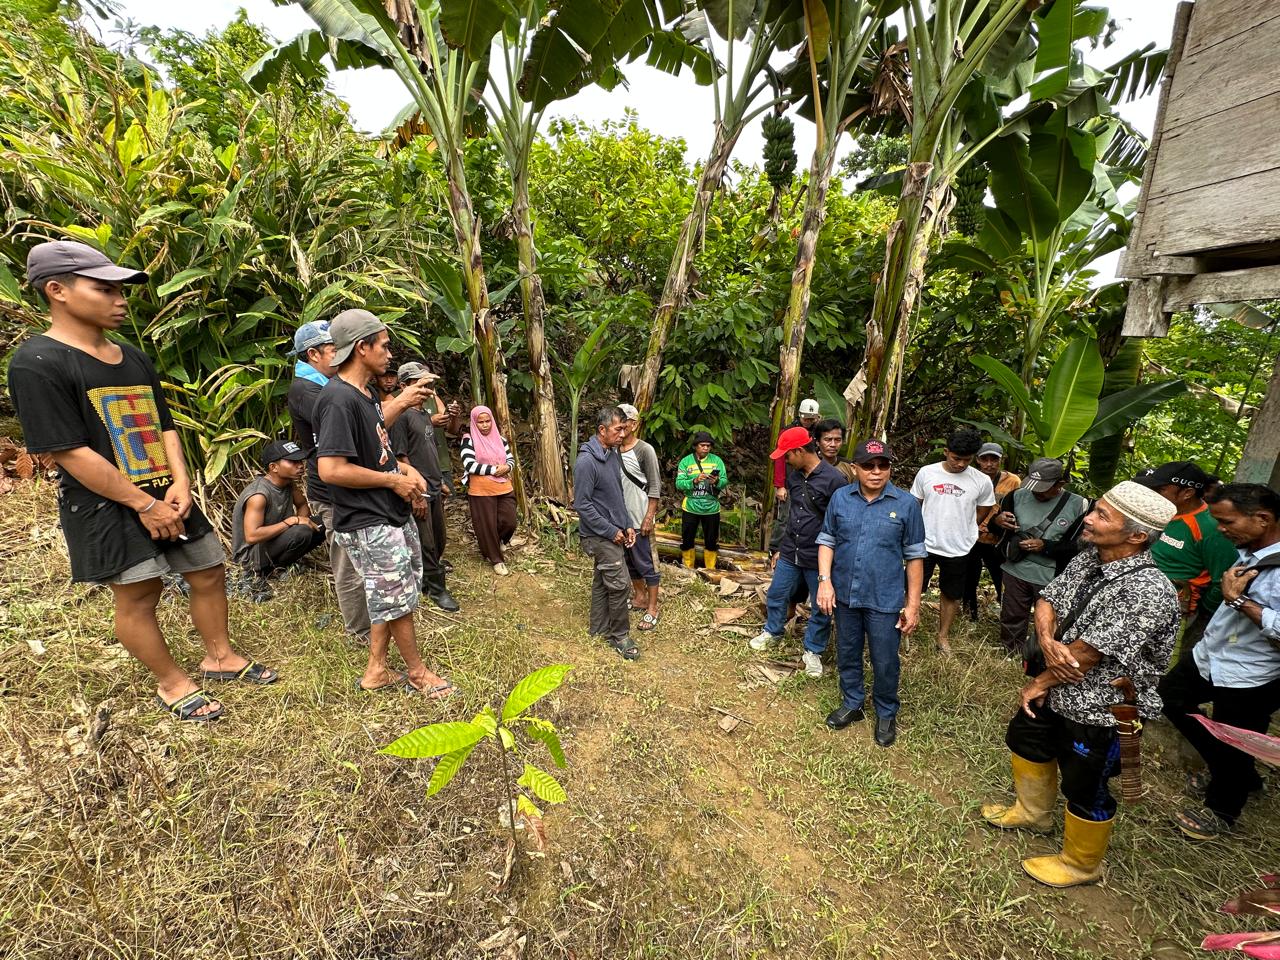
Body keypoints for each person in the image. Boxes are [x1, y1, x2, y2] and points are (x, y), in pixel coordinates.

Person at [8, 240, 277, 721]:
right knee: (139, 591)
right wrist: (142, 504)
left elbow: (164, 425)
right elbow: (69, 451)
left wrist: (181, 483)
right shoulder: (38, 363)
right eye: (104, 289)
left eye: (120, 289)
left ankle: (220, 657)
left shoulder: (130, 355)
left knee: (208, 571)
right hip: (105, 503)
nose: (120, 299)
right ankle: (172, 683)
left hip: (166, 492)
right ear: (57, 290)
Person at [981, 482, 1178, 887]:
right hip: (1056, 687)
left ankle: (1082, 864)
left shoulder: (1148, 590)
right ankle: (1033, 813)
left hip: (1101, 707)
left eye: (1103, 515)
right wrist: (1050, 643)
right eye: (1096, 510)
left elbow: (1087, 657)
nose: (1087, 518)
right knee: (1027, 741)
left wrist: (1040, 680)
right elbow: (1047, 600)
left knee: (1085, 784)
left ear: (1137, 536)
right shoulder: (1090, 558)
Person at [314, 309, 453, 697]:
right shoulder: (337, 400)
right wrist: (393, 480)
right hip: (367, 519)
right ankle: (417, 672)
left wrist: (406, 403)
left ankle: (376, 669)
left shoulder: (365, 394)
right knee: (398, 599)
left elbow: (374, 433)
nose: (390, 354)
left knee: (390, 593)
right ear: (362, 347)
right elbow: (331, 469)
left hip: (385, 513)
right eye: (385, 345)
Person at [1159, 483, 1280, 841]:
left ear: (1262, 518)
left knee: (1236, 740)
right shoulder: (1251, 549)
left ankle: (1222, 811)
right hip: (1212, 655)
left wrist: (1238, 601)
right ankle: (1237, 772)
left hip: (1251, 673)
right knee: (1169, 698)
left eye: (1226, 522)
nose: (1221, 530)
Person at [816, 439, 925, 747]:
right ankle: (852, 703)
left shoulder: (905, 505)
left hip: (885, 597)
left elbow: (915, 557)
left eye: (883, 465)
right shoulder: (840, 498)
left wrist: (912, 604)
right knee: (848, 651)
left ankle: (886, 712)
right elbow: (827, 540)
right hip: (846, 594)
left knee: (885, 659)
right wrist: (825, 581)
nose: (876, 472)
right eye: (868, 466)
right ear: (855, 468)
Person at [286, 319, 371, 644]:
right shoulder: (308, 390)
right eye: (334, 350)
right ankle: (359, 631)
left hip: (344, 487)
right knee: (347, 561)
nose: (340, 357)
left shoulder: (323, 386)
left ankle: (369, 621)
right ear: (313, 354)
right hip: (331, 490)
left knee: (357, 555)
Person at [750, 426, 847, 678]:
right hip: (791, 551)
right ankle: (773, 631)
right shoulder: (794, 478)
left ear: (800, 451)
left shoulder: (834, 480)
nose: (785, 460)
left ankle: (813, 650)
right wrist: (779, 547)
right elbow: (790, 515)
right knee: (777, 593)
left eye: (787, 455)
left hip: (818, 558)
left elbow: (841, 522)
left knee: (821, 606)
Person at [1134, 460, 1238, 652]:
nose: (1155, 493)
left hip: (1174, 612)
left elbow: (1223, 578)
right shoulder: (1162, 512)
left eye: (1162, 489)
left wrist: (1198, 609)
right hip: (1139, 598)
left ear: (1187, 493)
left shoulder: (1210, 527)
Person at [990, 458, 1088, 657]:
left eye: (1043, 488)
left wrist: (1046, 546)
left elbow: (1081, 545)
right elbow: (997, 531)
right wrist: (997, 521)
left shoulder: (1079, 505)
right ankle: (1011, 650)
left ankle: (1042, 655)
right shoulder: (1016, 496)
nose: (1037, 492)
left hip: (1051, 575)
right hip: (1015, 569)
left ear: (1060, 484)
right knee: (1012, 613)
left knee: (1049, 620)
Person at [910, 427, 996, 653]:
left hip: (959, 546)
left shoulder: (981, 481)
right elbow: (914, 505)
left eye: (966, 460)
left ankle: (943, 636)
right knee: (913, 588)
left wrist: (965, 525)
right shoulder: (926, 473)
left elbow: (984, 507)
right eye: (956, 458)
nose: (960, 464)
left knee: (952, 593)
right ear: (946, 452)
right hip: (924, 544)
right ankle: (905, 627)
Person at [392, 362, 459, 612]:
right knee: (426, 541)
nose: (427, 388)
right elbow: (400, 458)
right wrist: (416, 493)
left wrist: (438, 481)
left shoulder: (422, 414)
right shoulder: (402, 416)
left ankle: (426, 579)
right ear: (404, 386)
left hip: (432, 484)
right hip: (419, 489)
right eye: (421, 383)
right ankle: (436, 588)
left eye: (429, 383)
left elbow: (428, 450)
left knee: (438, 537)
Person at [573, 407, 639, 660]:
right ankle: (619, 636)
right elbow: (582, 504)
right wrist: (611, 530)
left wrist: (627, 524)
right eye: (618, 429)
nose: (623, 434)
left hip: (613, 531)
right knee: (620, 584)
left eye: (625, 428)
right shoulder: (586, 462)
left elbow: (615, 496)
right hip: (598, 535)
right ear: (602, 430)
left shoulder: (611, 454)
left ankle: (598, 628)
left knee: (604, 581)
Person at [230, 439, 325, 597]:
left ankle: (283, 564)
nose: (300, 465)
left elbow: (302, 505)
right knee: (302, 532)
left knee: (322, 524)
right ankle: (272, 572)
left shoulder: (289, 484)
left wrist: (299, 521)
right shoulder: (259, 495)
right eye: (293, 462)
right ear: (273, 467)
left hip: (273, 541)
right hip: (251, 557)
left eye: (300, 461)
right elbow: (252, 536)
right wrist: (292, 522)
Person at [617, 403, 662, 631]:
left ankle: (653, 607)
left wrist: (649, 516)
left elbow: (654, 485)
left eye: (624, 420)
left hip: (640, 516)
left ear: (634, 424)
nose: (620, 425)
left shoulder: (645, 450)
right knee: (629, 561)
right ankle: (639, 596)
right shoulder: (612, 449)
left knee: (647, 563)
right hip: (622, 520)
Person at [964, 442, 1021, 621]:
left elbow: (1016, 506)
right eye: (984, 459)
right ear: (978, 460)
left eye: (994, 459)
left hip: (998, 538)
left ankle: (1007, 614)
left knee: (1001, 577)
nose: (989, 464)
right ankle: (970, 614)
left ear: (1001, 459)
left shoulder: (1012, 481)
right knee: (969, 576)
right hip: (973, 536)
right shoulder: (968, 478)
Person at [460, 406, 518, 577]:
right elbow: (469, 464)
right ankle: (496, 560)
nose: (485, 425)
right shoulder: (468, 439)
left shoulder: (500, 439)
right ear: (474, 423)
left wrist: (507, 466)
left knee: (510, 521)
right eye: (480, 422)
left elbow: (510, 459)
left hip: (503, 485)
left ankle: (498, 541)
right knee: (487, 526)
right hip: (481, 489)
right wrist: (493, 470)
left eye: (487, 421)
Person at [770, 399, 821, 548]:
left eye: (812, 419)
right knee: (785, 517)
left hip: (812, 480)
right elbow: (779, 459)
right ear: (799, 415)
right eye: (806, 418)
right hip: (792, 479)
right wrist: (780, 485)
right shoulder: (787, 432)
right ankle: (775, 548)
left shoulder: (818, 432)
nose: (808, 422)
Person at [676, 431, 728, 570]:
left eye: (708, 446)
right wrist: (694, 480)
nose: (705, 448)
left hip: (711, 507)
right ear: (695, 446)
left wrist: (716, 481)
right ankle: (688, 568)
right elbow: (679, 484)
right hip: (691, 506)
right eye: (702, 445)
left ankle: (710, 570)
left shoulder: (717, 461)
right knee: (687, 540)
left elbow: (724, 481)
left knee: (711, 541)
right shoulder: (686, 462)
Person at [814, 418, 858, 484]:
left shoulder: (850, 467)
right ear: (817, 442)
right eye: (828, 439)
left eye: (837, 440)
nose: (833, 444)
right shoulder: (809, 465)